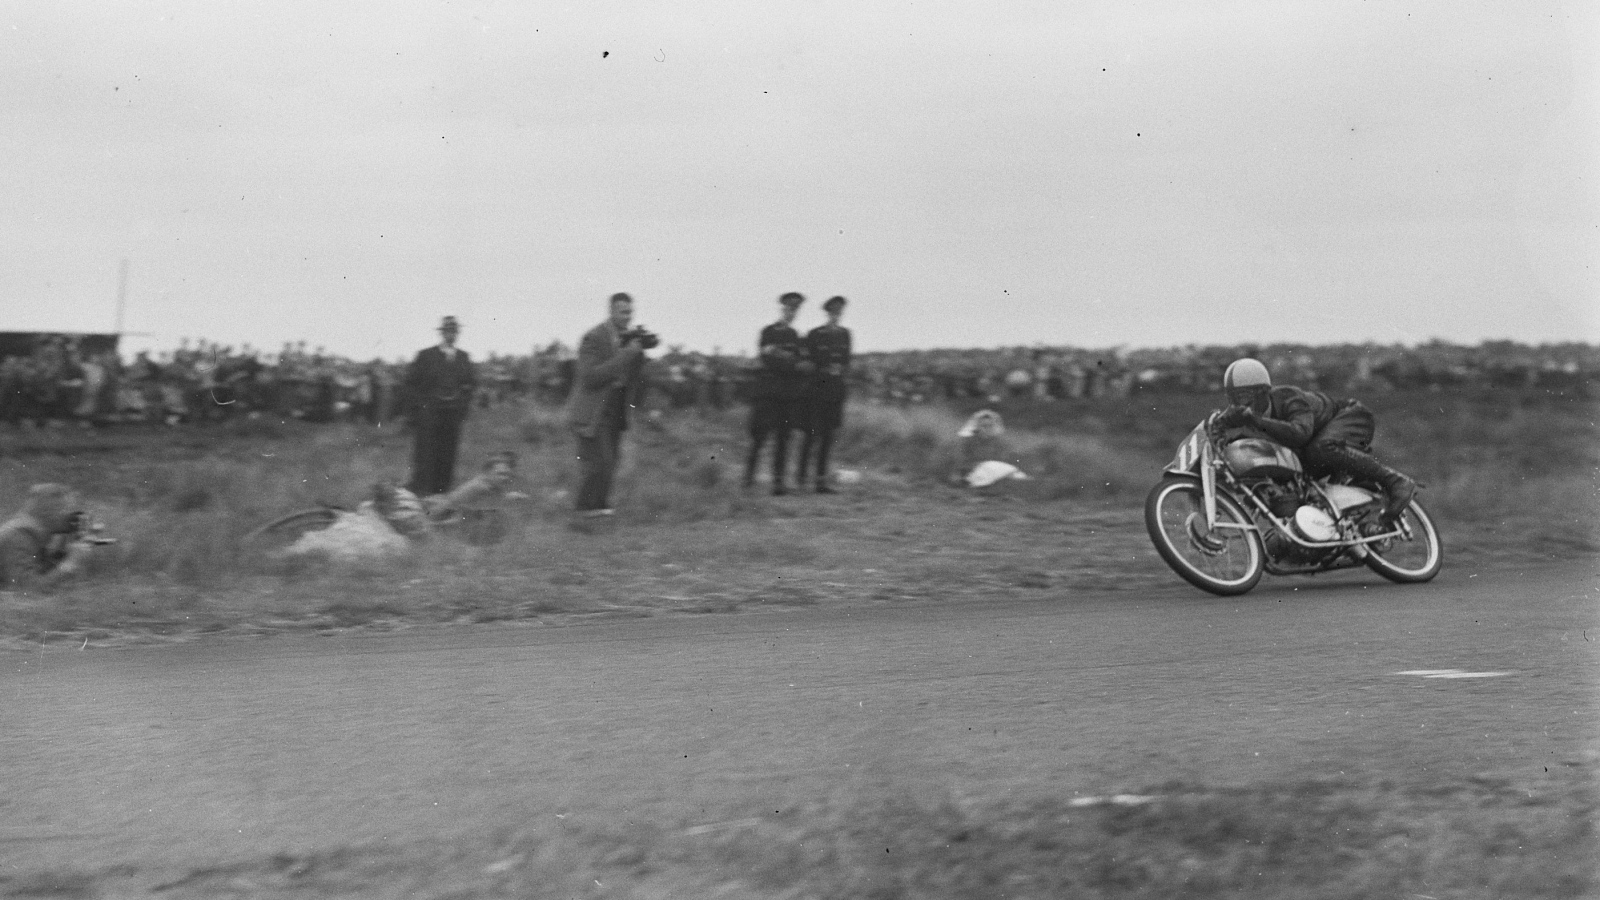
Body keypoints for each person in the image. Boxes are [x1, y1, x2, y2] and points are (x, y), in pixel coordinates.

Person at [1215, 358, 1416, 519]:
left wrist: (1257, 422)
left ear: (1262, 392)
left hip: (1351, 417)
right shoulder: (1240, 415)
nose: (1239, 404)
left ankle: (1396, 481)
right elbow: (1216, 426)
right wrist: (1218, 432)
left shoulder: (1287, 397)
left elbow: (1300, 433)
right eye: (1234, 398)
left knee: (1320, 449)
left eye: (1244, 396)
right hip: (1315, 442)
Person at [565, 293, 653, 523]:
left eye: (630, 312)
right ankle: (583, 509)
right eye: (623, 312)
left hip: (616, 408)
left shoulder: (626, 337)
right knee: (600, 461)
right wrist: (627, 354)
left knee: (612, 460)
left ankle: (599, 506)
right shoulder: (594, 337)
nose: (628, 317)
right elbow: (590, 377)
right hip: (593, 410)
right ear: (611, 311)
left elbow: (634, 377)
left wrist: (639, 355)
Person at [744, 292, 809, 495]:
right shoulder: (768, 332)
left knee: (784, 437)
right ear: (782, 309)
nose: (792, 313)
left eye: (795, 310)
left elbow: (800, 364)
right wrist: (789, 361)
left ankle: (778, 483)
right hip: (767, 393)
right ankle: (748, 479)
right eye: (789, 309)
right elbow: (769, 359)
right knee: (760, 436)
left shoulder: (796, 337)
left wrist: (781, 356)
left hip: (786, 395)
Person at [403, 316, 477, 496]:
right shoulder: (426, 356)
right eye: (448, 331)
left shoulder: (463, 358)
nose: (451, 334)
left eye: (454, 331)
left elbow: (471, 385)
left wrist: (461, 406)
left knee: (448, 453)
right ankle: (421, 491)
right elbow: (410, 384)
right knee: (426, 453)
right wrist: (418, 410)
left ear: (457, 334)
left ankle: (441, 492)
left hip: (452, 416)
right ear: (442, 333)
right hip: (429, 415)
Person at [0, 484, 104, 591]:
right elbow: (28, 590)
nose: (74, 518)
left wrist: (66, 550)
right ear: (47, 513)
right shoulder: (18, 537)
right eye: (69, 512)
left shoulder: (31, 532)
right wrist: (70, 563)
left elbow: (41, 572)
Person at [796, 295, 852, 493]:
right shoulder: (815, 334)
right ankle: (801, 480)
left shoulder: (845, 334)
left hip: (835, 394)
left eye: (839, 312)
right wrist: (825, 371)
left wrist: (839, 372)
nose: (836, 315)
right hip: (817, 392)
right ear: (827, 313)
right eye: (833, 312)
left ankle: (821, 481)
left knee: (828, 438)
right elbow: (808, 365)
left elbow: (846, 362)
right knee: (811, 437)